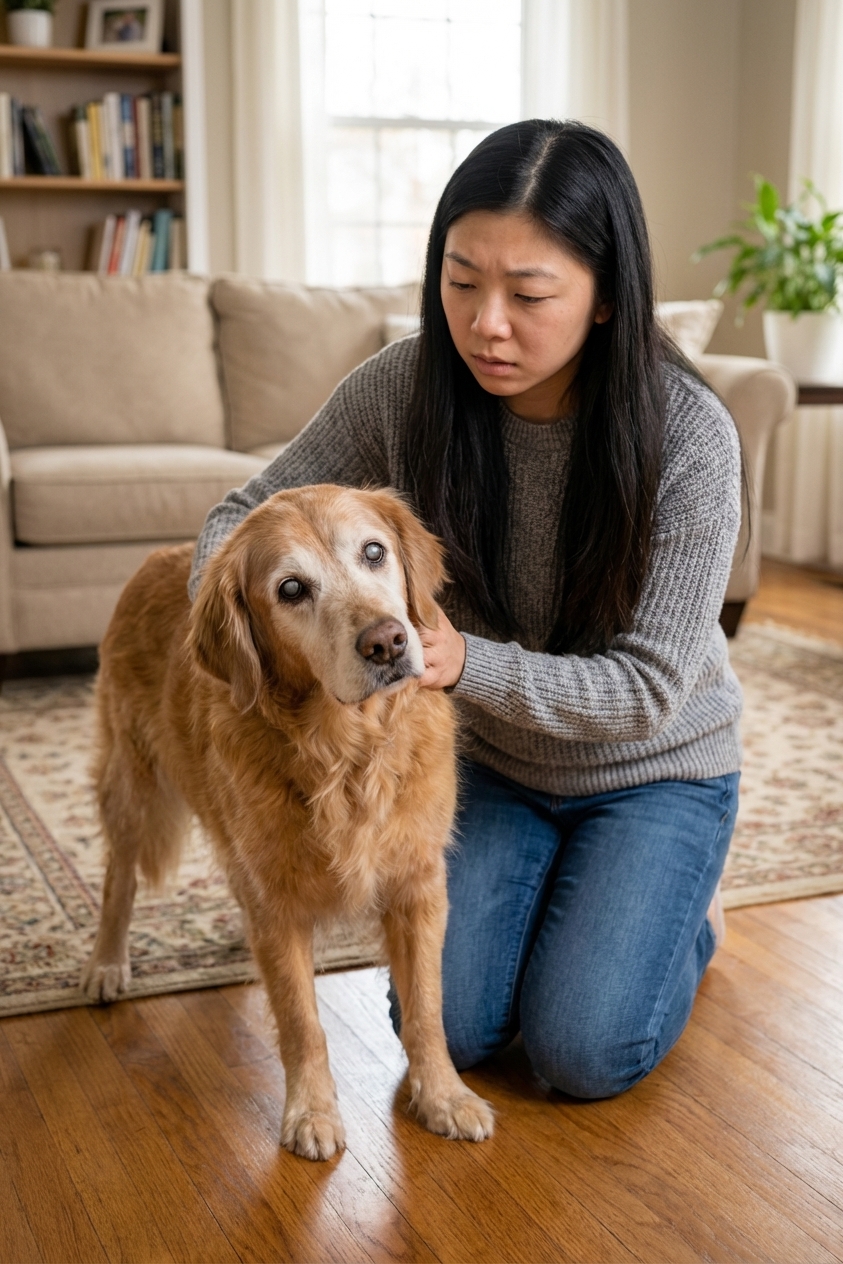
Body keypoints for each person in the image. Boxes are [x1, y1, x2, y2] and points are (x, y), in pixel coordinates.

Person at [188, 119, 742, 1099]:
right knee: (458, 1027)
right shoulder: (406, 387)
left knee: (581, 1050)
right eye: (461, 280)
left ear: (608, 296)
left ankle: (682, 910)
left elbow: (653, 689)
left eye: (528, 295)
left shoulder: (690, 435)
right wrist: (245, 628)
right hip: (496, 767)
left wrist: (462, 662)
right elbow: (242, 513)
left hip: (655, 771)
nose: (486, 322)